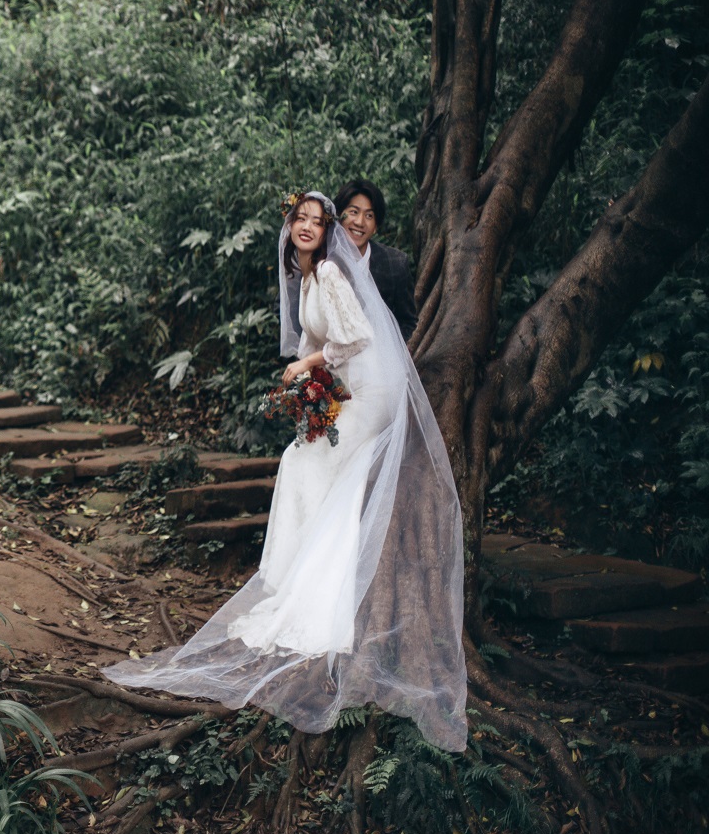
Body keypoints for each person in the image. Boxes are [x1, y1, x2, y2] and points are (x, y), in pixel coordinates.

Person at [106, 191, 467, 751]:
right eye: (301, 219)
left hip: (375, 389)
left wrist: (307, 366)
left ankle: (313, 589)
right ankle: (300, 576)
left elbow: (356, 338)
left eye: (318, 222)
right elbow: (314, 339)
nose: (307, 227)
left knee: (304, 462)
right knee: (301, 458)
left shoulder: (329, 273)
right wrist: (307, 386)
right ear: (290, 226)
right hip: (349, 386)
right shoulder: (304, 278)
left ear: (327, 234)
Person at [333, 178, 418, 341]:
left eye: (369, 215)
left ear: (376, 227)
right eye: (354, 212)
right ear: (339, 216)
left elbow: (408, 323)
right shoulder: (320, 259)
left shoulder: (395, 264)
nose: (360, 222)